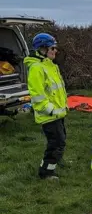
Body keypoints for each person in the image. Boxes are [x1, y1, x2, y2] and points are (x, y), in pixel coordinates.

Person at [24, 33, 68, 180]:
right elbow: (37, 95)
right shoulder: (37, 68)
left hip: (58, 114)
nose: (55, 51)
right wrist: (50, 110)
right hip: (49, 115)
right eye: (52, 48)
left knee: (61, 141)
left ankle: (55, 162)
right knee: (56, 143)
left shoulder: (50, 65)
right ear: (42, 49)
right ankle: (46, 172)